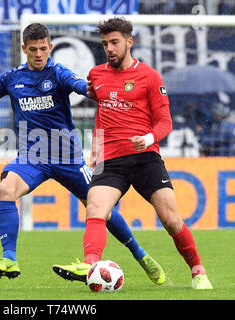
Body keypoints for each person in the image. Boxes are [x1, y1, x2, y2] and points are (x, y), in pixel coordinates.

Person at [0, 23, 164, 284]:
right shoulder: (11, 79)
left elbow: (84, 87)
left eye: (43, 49)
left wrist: (109, 95)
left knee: (100, 209)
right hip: (32, 157)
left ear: (50, 47)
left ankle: (140, 255)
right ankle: (9, 259)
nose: (39, 54)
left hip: (68, 158)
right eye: (33, 50)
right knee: (6, 189)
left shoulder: (59, 73)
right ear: (24, 48)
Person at [52, 18, 213, 290]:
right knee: (95, 207)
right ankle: (90, 264)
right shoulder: (96, 75)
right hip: (110, 161)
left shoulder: (149, 76)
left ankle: (198, 271)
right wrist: (97, 146)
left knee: (171, 220)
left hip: (145, 158)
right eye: (105, 44)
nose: (109, 49)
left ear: (130, 41)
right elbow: (102, 112)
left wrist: (149, 137)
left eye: (114, 42)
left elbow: (165, 121)